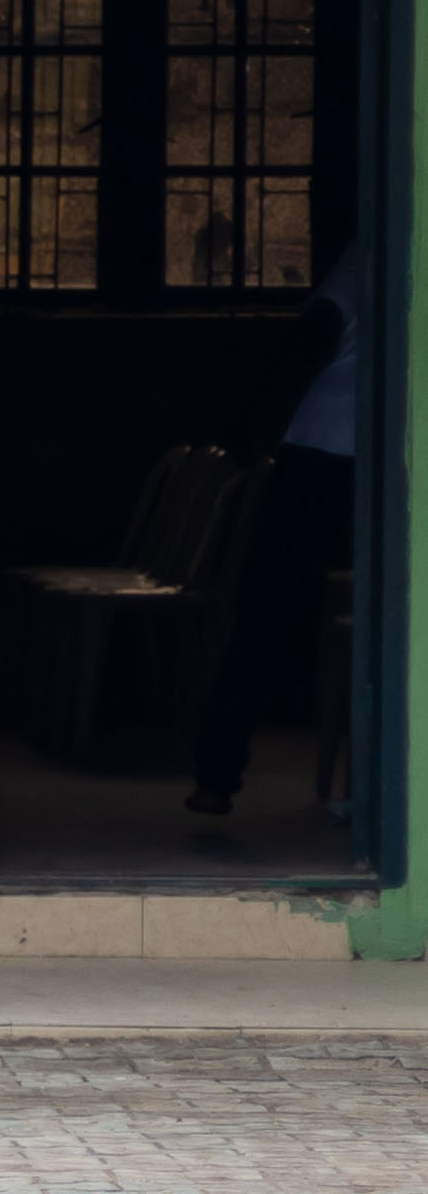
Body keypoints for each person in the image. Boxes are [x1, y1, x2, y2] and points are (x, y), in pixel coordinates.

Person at [187, 272, 366, 821]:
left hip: (319, 458)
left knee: (264, 613)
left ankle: (217, 778)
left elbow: (295, 356)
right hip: (349, 457)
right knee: (271, 614)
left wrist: (256, 430)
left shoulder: (355, 274)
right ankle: (219, 774)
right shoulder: (368, 268)